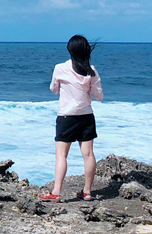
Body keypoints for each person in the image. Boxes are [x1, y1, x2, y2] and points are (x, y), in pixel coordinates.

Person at [38, 35, 103, 202]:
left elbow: (53, 89)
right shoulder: (92, 70)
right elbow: (99, 97)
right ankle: (87, 191)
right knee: (88, 154)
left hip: (66, 116)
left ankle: (56, 192)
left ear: (70, 50)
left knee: (61, 156)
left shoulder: (60, 68)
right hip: (86, 116)